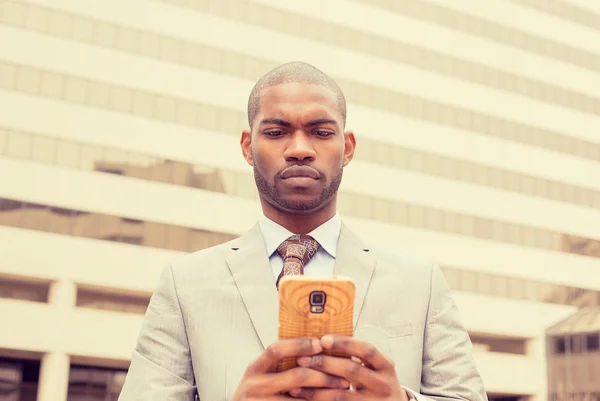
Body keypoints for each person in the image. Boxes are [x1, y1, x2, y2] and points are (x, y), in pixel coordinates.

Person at [118, 61, 488, 401]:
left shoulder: (421, 282)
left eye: (321, 132)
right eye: (277, 132)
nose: (299, 149)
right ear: (248, 147)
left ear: (347, 148)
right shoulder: (184, 285)